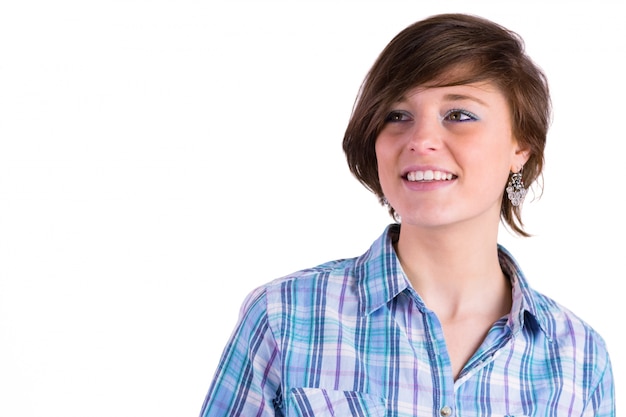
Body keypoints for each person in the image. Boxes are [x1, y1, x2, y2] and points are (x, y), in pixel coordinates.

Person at [199, 13, 615, 416]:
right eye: (397, 116)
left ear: (520, 147)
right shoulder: (285, 317)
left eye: (459, 115)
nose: (421, 140)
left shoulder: (579, 359)